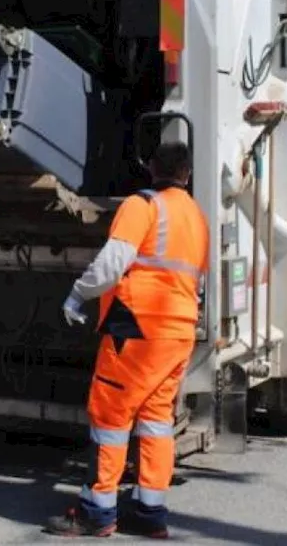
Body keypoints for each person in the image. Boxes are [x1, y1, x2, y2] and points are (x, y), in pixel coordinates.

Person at [45, 141, 210, 539]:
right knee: (155, 422)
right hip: (179, 333)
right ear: (187, 174)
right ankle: (150, 513)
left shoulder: (143, 206)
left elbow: (111, 265)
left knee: (110, 418)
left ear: (151, 168)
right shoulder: (196, 216)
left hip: (135, 329)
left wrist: (77, 294)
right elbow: (198, 281)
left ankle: (96, 512)